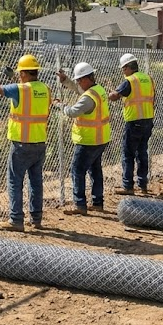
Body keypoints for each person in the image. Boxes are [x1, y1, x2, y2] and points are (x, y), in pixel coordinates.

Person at [0, 54, 50, 231]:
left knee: (15, 180)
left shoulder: (20, 89)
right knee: (36, 181)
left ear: (23, 73)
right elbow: (31, 95)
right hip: (40, 142)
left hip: (21, 142)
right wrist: (12, 77)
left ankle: (16, 220)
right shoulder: (45, 89)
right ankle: (36, 219)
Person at [54, 62, 110, 215]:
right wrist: (66, 81)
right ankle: (98, 202)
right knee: (95, 170)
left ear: (87, 79)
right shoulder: (98, 90)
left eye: (79, 80)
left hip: (88, 140)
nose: (78, 83)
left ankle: (80, 204)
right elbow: (79, 90)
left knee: (77, 171)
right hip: (100, 138)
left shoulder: (88, 98)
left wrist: (60, 105)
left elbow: (72, 112)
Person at [108, 53, 155, 195]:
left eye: (123, 69)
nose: (123, 72)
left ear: (128, 67)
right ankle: (143, 184)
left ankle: (128, 186)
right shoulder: (148, 79)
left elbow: (115, 96)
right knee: (142, 153)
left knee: (128, 154)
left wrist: (110, 93)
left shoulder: (130, 81)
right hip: (148, 120)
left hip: (134, 122)